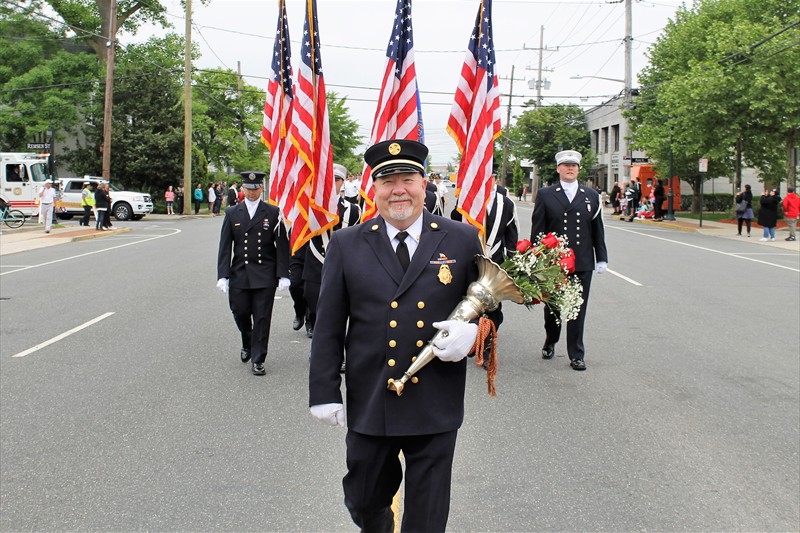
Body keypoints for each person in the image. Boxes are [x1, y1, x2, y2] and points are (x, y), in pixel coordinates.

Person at [309, 139, 483, 532]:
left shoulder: (460, 238)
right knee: (364, 499)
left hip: (435, 397)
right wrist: (323, 390)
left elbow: (491, 307)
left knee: (427, 516)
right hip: (373, 396)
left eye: (408, 179)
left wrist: (471, 333)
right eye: (388, 182)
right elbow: (329, 325)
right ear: (374, 189)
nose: (399, 190)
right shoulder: (347, 242)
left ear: (425, 184)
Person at [531, 149, 608, 371]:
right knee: (553, 308)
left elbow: (597, 229)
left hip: (582, 261)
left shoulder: (591, 195)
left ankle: (576, 353)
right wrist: (536, 257)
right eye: (565, 165)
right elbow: (539, 230)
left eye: (573, 165)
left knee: (577, 308)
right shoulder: (546, 194)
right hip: (555, 263)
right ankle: (550, 340)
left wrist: (601, 257)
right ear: (558, 169)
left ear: (578, 169)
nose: (570, 168)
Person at [216, 171, 291, 375]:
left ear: (261, 188)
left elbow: (282, 245)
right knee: (239, 312)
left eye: (255, 188)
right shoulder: (232, 213)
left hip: (265, 273)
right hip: (240, 272)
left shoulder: (273, 212)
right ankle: (247, 341)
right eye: (248, 189)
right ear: (242, 189)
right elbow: (225, 246)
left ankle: (258, 358)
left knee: (262, 318)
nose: (251, 192)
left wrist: (284, 273)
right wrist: (222, 275)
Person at [302, 163, 361, 346]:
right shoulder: (310, 208)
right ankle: (319, 348)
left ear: (342, 182)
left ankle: (338, 352)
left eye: (336, 180)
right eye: (328, 179)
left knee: (340, 312)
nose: (332, 183)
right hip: (315, 266)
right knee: (318, 312)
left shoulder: (353, 210)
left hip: (343, 268)